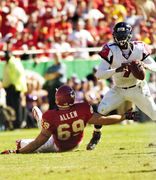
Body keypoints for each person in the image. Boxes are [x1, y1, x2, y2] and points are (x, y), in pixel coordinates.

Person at [0, 85, 139, 154]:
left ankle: (39, 120)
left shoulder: (51, 115)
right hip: (76, 143)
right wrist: (124, 116)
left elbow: (38, 143)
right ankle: (40, 120)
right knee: (43, 125)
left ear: (58, 99)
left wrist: (17, 152)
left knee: (21, 143)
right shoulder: (83, 108)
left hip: (58, 145)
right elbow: (105, 120)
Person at [87, 22, 156, 150]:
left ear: (129, 35)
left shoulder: (139, 48)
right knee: (101, 111)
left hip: (137, 87)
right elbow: (99, 74)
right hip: (118, 89)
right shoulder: (110, 49)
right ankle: (97, 134)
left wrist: (145, 65)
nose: (121, 38)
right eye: (119, 35)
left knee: (154, 113)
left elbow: (154, 66)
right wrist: (116, 70)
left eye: (123, 35)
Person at [2, 51, 27, 129]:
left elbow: (18, 73)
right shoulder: (9, 63)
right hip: (10, 87)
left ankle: (18, 123)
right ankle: (12, 123)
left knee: (16, 106)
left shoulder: (13, 62)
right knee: (11, 106)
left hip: (15, 87)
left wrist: (13, 83)